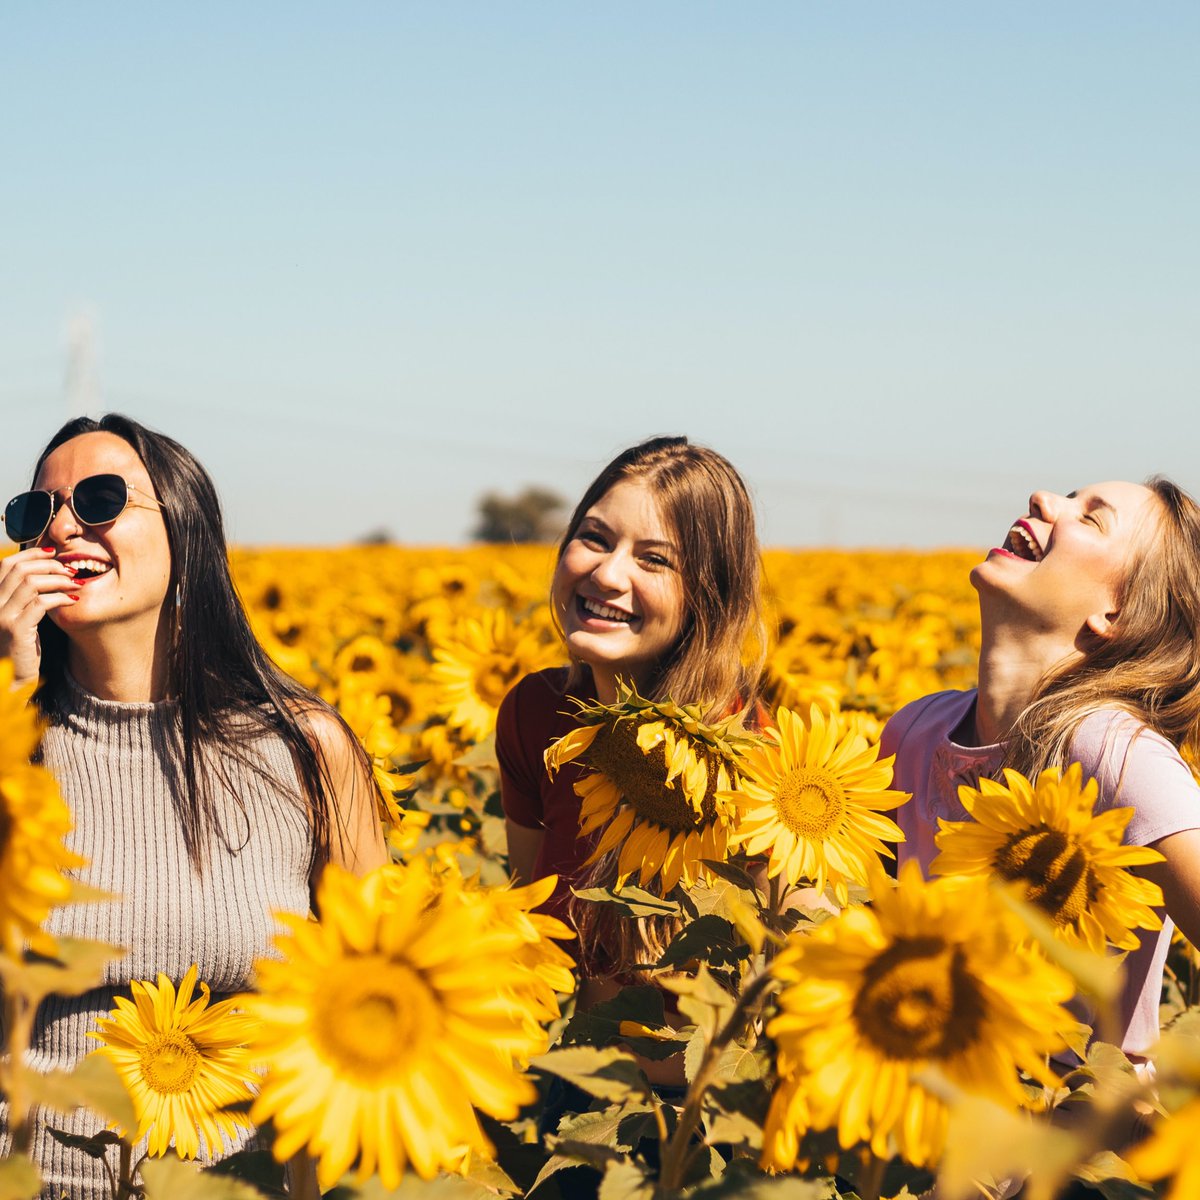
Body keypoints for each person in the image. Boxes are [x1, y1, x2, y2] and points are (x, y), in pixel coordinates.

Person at [0, 414, 388, 1197]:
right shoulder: (15, 743)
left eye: (101, 499)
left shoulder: (304, 749)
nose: (65, 526)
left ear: (187, 530)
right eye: (34, 513)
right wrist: (9, 692)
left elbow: (373, 992)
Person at [880, 479, 1200, 1059]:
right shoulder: (913, 731)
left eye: (1091, 518)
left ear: (1116, 615)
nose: (1042, 499)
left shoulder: (1115, 756)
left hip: (1077, 1139)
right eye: (1068, 496)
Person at [497, 436, 765, 1037]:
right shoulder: (537, 715)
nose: (607, 572)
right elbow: (533, 924)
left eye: (654, 559)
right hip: (576, 1086)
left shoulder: (756, 758)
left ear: (708, 596)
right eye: (594, 538)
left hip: (710, 1110)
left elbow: (773, 975)